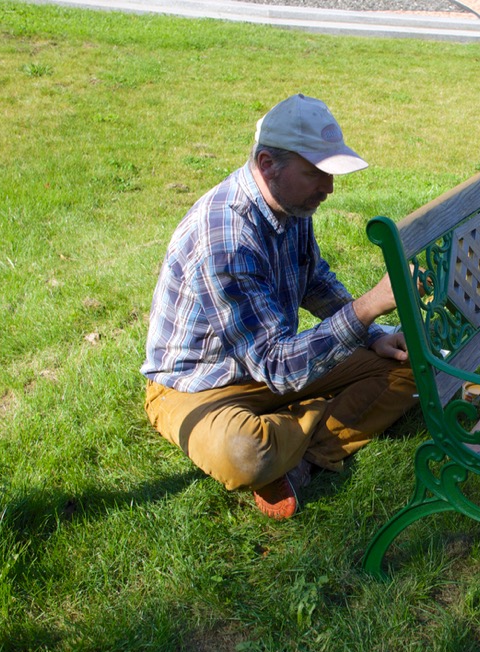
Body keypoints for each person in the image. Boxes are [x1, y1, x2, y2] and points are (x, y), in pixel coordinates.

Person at [141, 94, 417, 520]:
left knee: (410, 365)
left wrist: (375, 336)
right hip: (198, 385)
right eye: (316, 173)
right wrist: (369, 308)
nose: (328, 188)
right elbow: (277, 365)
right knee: (246, 454)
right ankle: (310, 430)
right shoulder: (226, 238)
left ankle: (300, 460)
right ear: (268, 164)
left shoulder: (290, 205)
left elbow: (316, 282)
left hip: (271, 366)